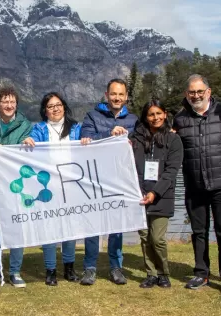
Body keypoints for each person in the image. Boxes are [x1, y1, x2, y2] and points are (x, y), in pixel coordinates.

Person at [172, 75, 221, 295]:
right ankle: (201, 273)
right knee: (199, 232)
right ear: (186, 94)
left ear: (208, 92)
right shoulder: (179, 120)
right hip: (194, 187)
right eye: (192, 92)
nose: (196, 96)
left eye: (200, 91)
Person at [79, 78, 138, 285]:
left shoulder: (133, 119)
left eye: (121, 94)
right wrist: (108, 134)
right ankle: (90, 268)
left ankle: (116, 268)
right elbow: (84, 140)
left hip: (120, 179)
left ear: (126, 97)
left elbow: (142, 143)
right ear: (106, 95)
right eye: (113, 94)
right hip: (95, 178)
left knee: (116, 227)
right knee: (93, 226)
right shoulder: (92, 116)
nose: (117, 98)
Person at [22, 92, 81, 286]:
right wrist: (28, 142)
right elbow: (31, 145)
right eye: (50, 106)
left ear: (64, 106)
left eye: (58, 105)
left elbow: (90, 147)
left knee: (69, 228)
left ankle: (69, 269)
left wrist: (88, 141)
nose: (55, 109)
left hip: (71, 184)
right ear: (45, 111)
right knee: (49, 228)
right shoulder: (38, 129)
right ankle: (50, 270)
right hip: (47, 185)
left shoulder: (76, 128)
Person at [130, 99, 183, 289]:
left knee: (157, 239)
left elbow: (171, 171)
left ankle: (163, 273)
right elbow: (128, 166)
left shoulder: (173, 139)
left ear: (165, 114)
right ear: (145, 117)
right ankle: (151, 274)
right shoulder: (135, 140)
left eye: (158, 113)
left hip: (162, 195)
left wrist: (154, 192)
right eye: (151, 114)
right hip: (139, 195)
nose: (155, 118)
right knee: (145, 237)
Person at [0, 87, 32, 287]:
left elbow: (28, 157)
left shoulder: (25, 125)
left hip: (16, 184)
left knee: (17, 225)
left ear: (16, 105)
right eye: (5, 102)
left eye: (12, 102)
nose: (9, 105)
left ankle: (15, 271)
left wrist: (30, 143)